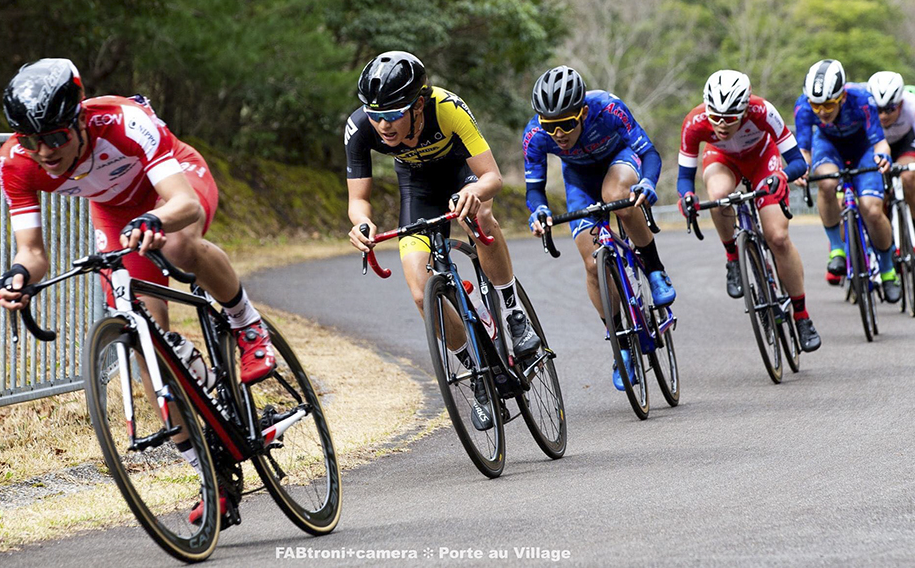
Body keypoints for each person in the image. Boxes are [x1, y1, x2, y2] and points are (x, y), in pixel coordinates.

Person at [0, 58, 273, 523]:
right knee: (144, 345)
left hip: (172, 189)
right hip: (115, 215)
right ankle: (211, 476)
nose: (44, 151)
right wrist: (17, 276)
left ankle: (247, 326)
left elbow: (181, 201)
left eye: (56, 137)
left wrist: (155, 220)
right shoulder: (14, 162)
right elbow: (33, 252)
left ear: (80, 121)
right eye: (31, 139)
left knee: (182, 246)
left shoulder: (122, 121)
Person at [345, 50, 539, 431]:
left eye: (392, 114)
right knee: (420, 292)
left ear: (417, 104)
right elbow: (358, 200)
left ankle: (513, 310)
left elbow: (493, 177)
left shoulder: (445, 108)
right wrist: (363, 225)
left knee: (479, 214)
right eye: (375, 115)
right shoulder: (360, 126)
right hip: (417, 186)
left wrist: (476, 192)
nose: (383, 125)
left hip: (461, 175)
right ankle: (479, 373)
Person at [524, 65, 676, 390]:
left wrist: (648, 182)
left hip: (619, 161)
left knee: (616, 196)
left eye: (566, 123)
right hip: (578, 180)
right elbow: (534, 189)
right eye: (550, 125)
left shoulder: (607, 108)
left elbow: (648, 152)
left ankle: (655, 270)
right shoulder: (535, 135)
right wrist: (538, 211)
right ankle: (621, 343)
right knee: (593, 264)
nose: (558, 133)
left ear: (582, 112)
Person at [676, 70, 821, 351]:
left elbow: (797, 163)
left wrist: (782, 176)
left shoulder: (763, 110)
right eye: (714, 116)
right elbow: (684, 177)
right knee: (718, 196)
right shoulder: (694, 122)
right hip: (723, 160)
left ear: (744, 111)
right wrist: (687, 197)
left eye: (729, 118)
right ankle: (732, 256)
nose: (719, 124)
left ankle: (802, 315)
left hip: (762, 160)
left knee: (777, 238)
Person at [794, 58, 900, 302]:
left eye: (829, 104)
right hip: (829, 146)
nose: (821, 111)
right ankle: (837, 249)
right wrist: (801, 169)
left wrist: (883, 156)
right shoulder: (803, 106)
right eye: (816, 105)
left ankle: (887, 270)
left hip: (863, 147)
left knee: (872, 210)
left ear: (841, 96)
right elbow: (804, 151)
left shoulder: (863, 99)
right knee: (826, 183)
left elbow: (880, 142)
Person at [862, 71, 915, 251]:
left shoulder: (914, 105)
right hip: (875, 147)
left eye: (889, 109)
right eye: (878, 110)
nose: (883, 116)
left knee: (909, 177)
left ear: (901, 103)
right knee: (878, 191)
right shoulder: (862, 107)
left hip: (904, 144)